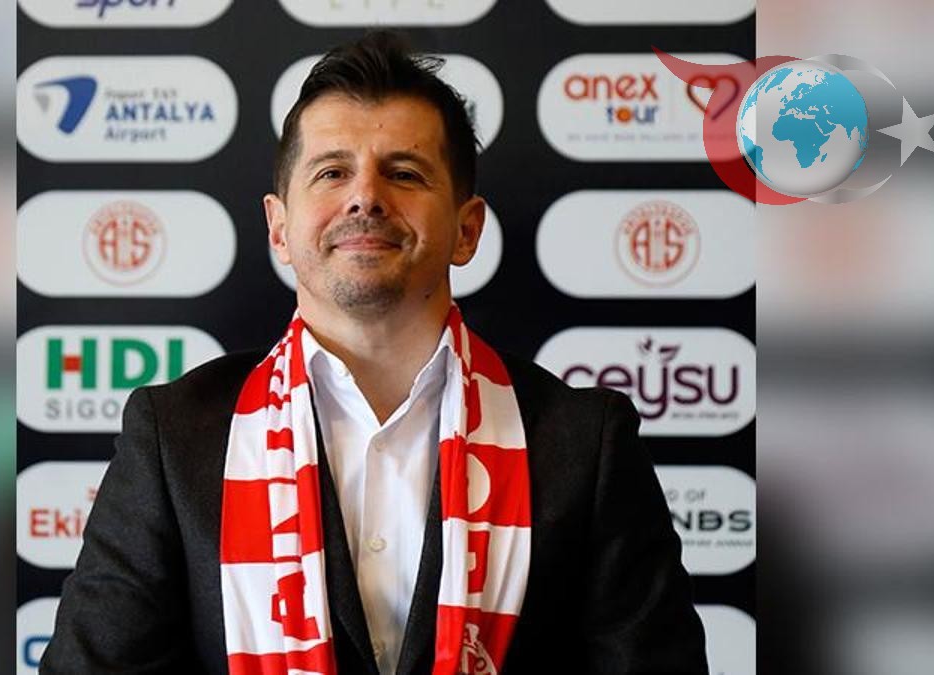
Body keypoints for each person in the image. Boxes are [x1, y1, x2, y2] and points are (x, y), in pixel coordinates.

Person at [41, 31, 707, 675]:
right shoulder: (174, 436)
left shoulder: (585, 442)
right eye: (332, 172)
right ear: (279, 226)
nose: (365, 196)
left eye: (404, 173)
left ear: (467, 229)